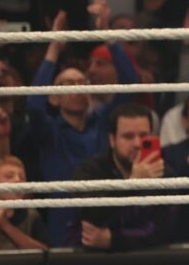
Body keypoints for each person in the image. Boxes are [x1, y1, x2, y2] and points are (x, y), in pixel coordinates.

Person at [26, 1, 139, 246]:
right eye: (68, 85)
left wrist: (108, 35)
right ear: (53, 98)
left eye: (82, 83)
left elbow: (131, 84)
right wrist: (54, 48)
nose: (78, 89)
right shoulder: (50, 132)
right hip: (63, 222)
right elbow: (34, 105)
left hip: (106, 218)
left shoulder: (103, 122)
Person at [72, 103, 173, 251]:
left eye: (143, 136)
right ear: (112, 140)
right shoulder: (90, 171)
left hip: (149, 263)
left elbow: (164, 232)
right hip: (94, 262)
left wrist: (114, 240)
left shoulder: (164, 173)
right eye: (128, 136)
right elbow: (91, 217)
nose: (137, 143)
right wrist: (132, 185)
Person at [0, 156, 47, 250]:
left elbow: (44, 254)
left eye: (22, 177)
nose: (17, 180)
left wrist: (5, 225)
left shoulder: (31, 215)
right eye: (9, 176)